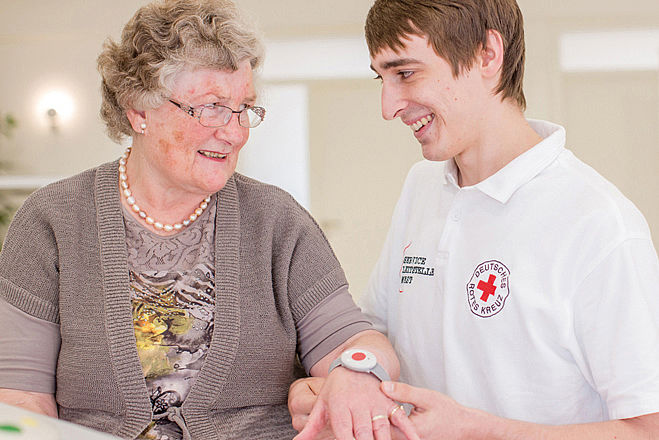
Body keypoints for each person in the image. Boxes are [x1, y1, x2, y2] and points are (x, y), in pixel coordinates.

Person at [0, 1, 418, 439]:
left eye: (244, 108)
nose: (236, 131)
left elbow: (356, 343)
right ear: (139, 110)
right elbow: (21, 400)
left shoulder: (278, 222)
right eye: (213, 106)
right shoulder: (52, 221)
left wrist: (358, 371)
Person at [288, 0, 659, 438]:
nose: (388, 107)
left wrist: (475, 430)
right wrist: (346, 378)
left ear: (487, 54)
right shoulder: (422, 187)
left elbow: (647, 427)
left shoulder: (599, 223)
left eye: (405, 73)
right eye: (381, 78)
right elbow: (380, 332)